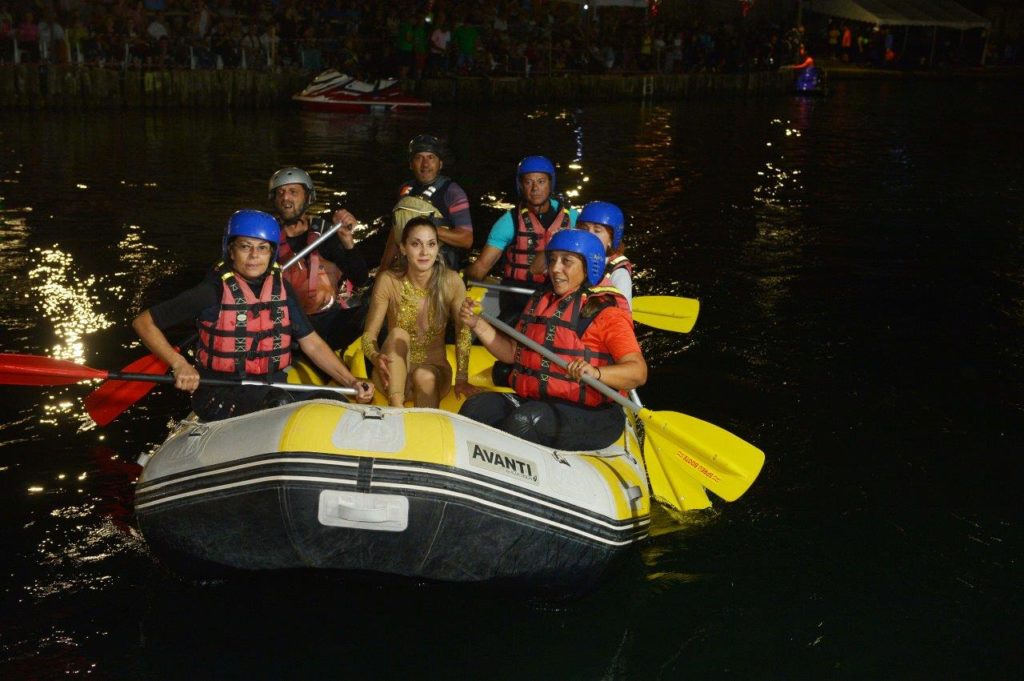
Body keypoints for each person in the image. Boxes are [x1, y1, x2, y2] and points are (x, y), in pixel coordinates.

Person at [132, 210, 374, 422]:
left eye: (262, 248)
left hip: (271, 384)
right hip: (219, 393)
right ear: (231, 251)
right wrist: (179, 364)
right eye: (245, 246)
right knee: (277, 403)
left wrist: (350, 382)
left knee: (332, 400)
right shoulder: (211, 291)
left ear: (272, 253)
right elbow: (144, 322)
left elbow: (311, 342)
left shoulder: (282, 289)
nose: (254, 256)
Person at [458, 230, 647, 450]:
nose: (555, 268)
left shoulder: (606, 313)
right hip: (540, 402)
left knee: (526, 422)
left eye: (567, 261)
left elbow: (638, 372)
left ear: (589, 267)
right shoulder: (541, 301)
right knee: (476, 407)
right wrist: (478, 325)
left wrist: (596, 373)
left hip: (595, 414)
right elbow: (511, 353)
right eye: (553, 259)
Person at [361, 217, 476, 408]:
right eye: (416, 244)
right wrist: (375, 357)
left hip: (434, 373)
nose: (424, 252)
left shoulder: (452, 281)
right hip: (391, 374)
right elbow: (368, 336)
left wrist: (462, 378)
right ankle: (396, 408)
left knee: (424, 375)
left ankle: (425, 422)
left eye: (431, 244)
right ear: (403, 248)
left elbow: (463, 332)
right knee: (398, 334)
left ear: (437, 248)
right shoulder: (388, 281)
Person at [464, 155, 578, 324]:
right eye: (528, 182)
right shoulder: (508, 222)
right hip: (518, 296)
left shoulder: (572, 218)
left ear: (550, 183)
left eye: (541, 181)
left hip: (557, 293)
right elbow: (482, 267)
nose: (535, 188)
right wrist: (461, 277)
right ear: (521, 186)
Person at [268, 166, 369, 350]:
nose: (285, 198)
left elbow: (360, 279)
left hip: (328, 320)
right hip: (286, 325)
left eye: (293, 192)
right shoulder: (265, 239)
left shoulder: (326, 234)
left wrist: (347, 241)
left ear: (308, 197)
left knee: (370, 310)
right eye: (280, 193)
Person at [379, 134, 473, 272]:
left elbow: (466, 239)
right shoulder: (405, 190)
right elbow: (396, 231)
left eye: (431, 157)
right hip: (409, 268)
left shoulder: (452, 192)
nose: (425, 164)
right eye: (419, 158)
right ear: (411, 164)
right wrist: (383, 269)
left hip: (440, 269)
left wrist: (425, 229)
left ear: (440, 163)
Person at [576, 201, 632, 306]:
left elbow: (623, 313)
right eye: (584, 228)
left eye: (597, 230)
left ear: (611, 239)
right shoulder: (568, 257)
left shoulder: (619, 274)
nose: (589, 234)